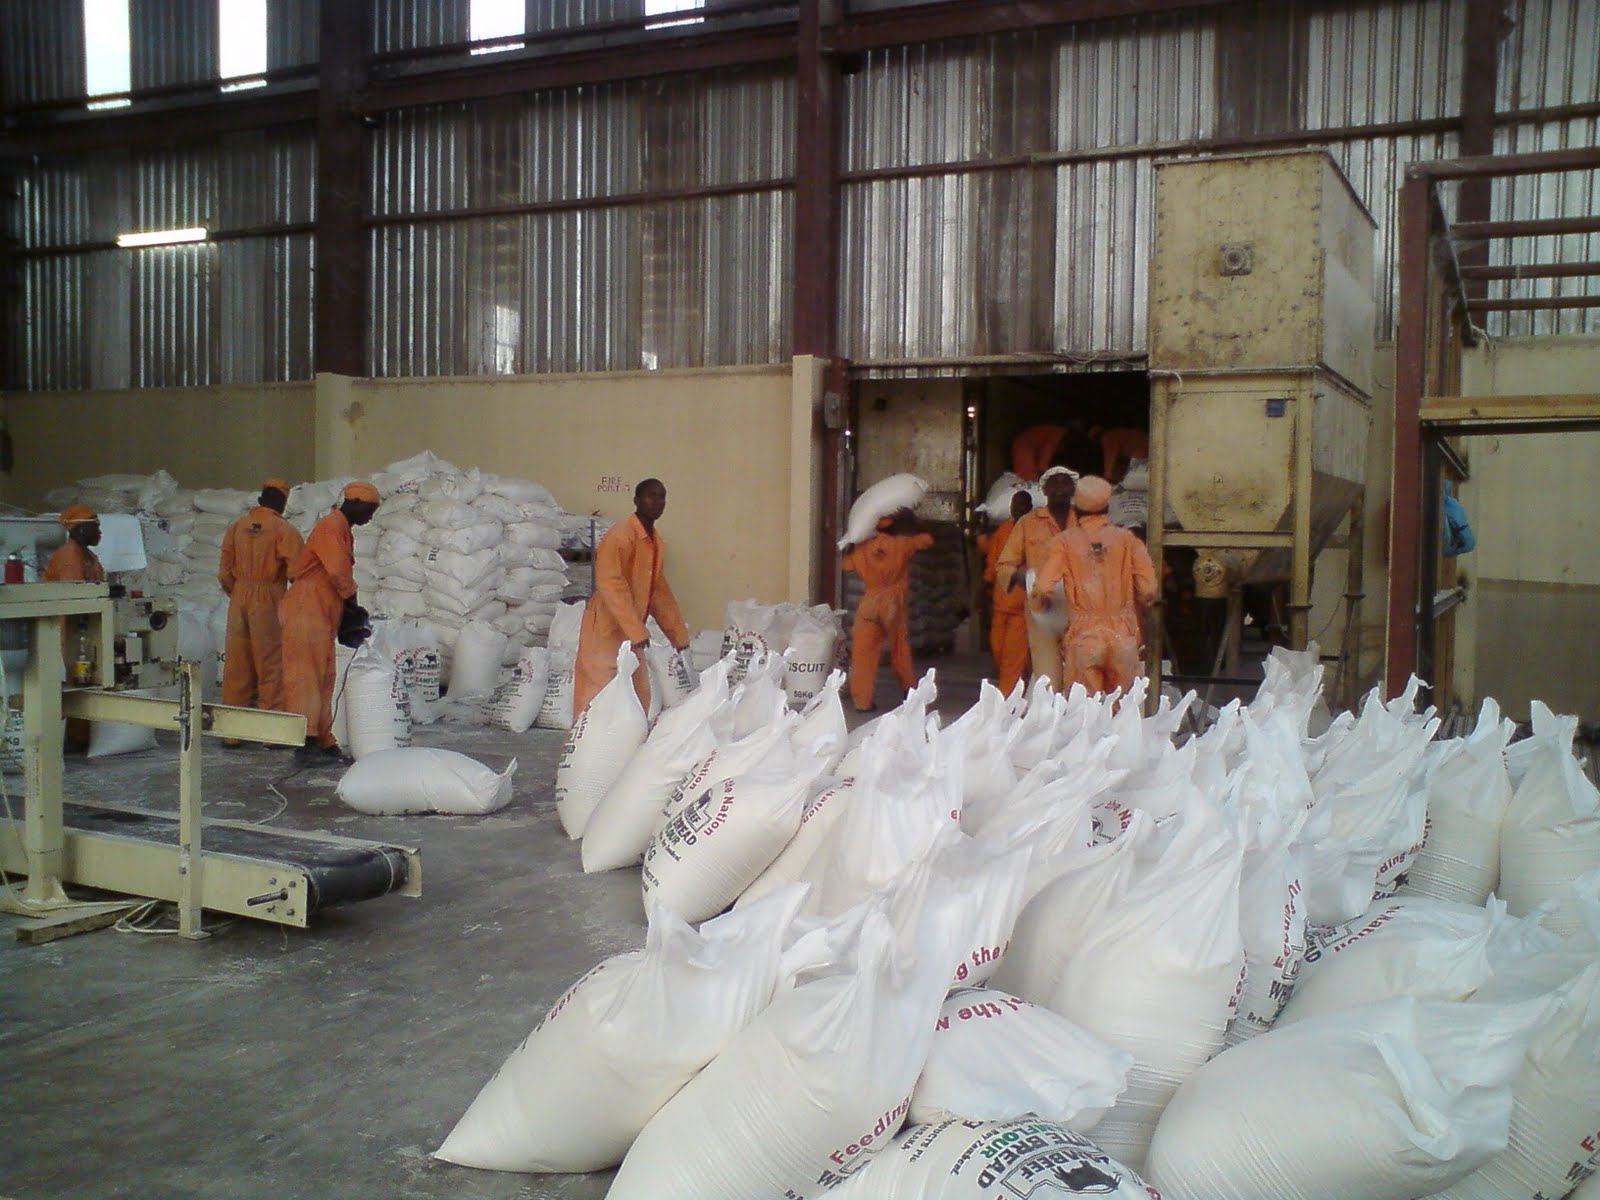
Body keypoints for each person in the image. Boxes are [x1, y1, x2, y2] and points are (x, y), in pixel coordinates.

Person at [572, 478, 691, 721]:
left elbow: (658, 591)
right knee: (598, 695)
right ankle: (585, 752)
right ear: (636, 500)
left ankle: (626, 752)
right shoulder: (621, 535)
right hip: (605, 630)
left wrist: (678, 636)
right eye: (650, 496)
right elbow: (610, 583)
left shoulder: (654, 541)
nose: (656, 502)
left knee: (637, 696)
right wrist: (636, 631)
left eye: (661, 497)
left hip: (630, 633)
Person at [280, 481, 380, 766]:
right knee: (306, 677)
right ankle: (306, 742)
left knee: (324, 676)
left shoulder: (342, 529)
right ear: (356, 502)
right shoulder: (331, 526)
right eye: (370, 510)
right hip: (306, 607)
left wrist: (348, 610)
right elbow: (338, 571)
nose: (370, 517)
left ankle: (323, 739)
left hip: (322, 609)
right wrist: (353, 606)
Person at [1031, 475, 1158, 697]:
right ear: (1107, 507)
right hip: (1123, 637)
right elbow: (1148, 590)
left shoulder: (1063, 542)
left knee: (1084, 713)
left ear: (1076, 509)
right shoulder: (1129, 540)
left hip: (1084, 637)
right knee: (1122, 710)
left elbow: (1043, 588)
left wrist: (1041, 605)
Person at [217, 478, 304, 738]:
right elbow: (298, 572)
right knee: (271, 663)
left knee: (237, 664)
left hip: (239, 597)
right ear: (282, 501)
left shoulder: (237, 526)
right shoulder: (282, 529)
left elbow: (223, 572)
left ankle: (232, 732)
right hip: (268, 598)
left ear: (260, 497)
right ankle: (271, 730)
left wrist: (239, 591)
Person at [841, 509, 934, 713]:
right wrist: (913, 520)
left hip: (869, 604)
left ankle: (862, 702)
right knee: (900, 648)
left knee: (863, 655)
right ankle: (909, 691)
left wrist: (851, 543)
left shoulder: (862, 547)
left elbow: (846, 565)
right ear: (895, 526)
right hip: (892, 604)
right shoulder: (902, 544)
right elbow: (927, 539)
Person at [995, 466, 1078, 690]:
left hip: (1080, 607)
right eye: (1055, 482)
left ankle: (1076, 721)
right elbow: (1005, 563)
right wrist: (1017, 576)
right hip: (1041, 606)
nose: (1060, 487)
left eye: (1065, 482)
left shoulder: (1083, 521)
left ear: (1073, 488)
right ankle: (1051, 717)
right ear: (1044, 489)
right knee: (1047, 677)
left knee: (1080, 674)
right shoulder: (1028, 523)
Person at [44, 505, 107, 747]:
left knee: (84, 681)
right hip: (66, 633)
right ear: (79, 529)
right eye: (95, 527)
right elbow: (75, 601)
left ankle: (79, 736)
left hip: (81, 632)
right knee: (73, 682)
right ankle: (72, 737)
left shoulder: (89, 557)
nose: (100, 532)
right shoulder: (70, 556)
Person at [979, 489, 1033, 695]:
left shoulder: (1035, 532)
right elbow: (993, 562)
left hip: (1021, 607)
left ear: (1029, 508)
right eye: (1015, 505)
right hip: (1000, 604)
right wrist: (984, 587)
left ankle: (1005, 702)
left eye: (1022, 505)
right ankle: (1023, 685)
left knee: (1012, 658)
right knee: (999, 651)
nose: (1017, 509)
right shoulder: (1003, 530)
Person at [43, 505, 106, 585]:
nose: (99, 532)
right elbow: (74, 593)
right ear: (81, 529)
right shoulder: (68, 555)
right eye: (95, 527)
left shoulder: (89, 555)